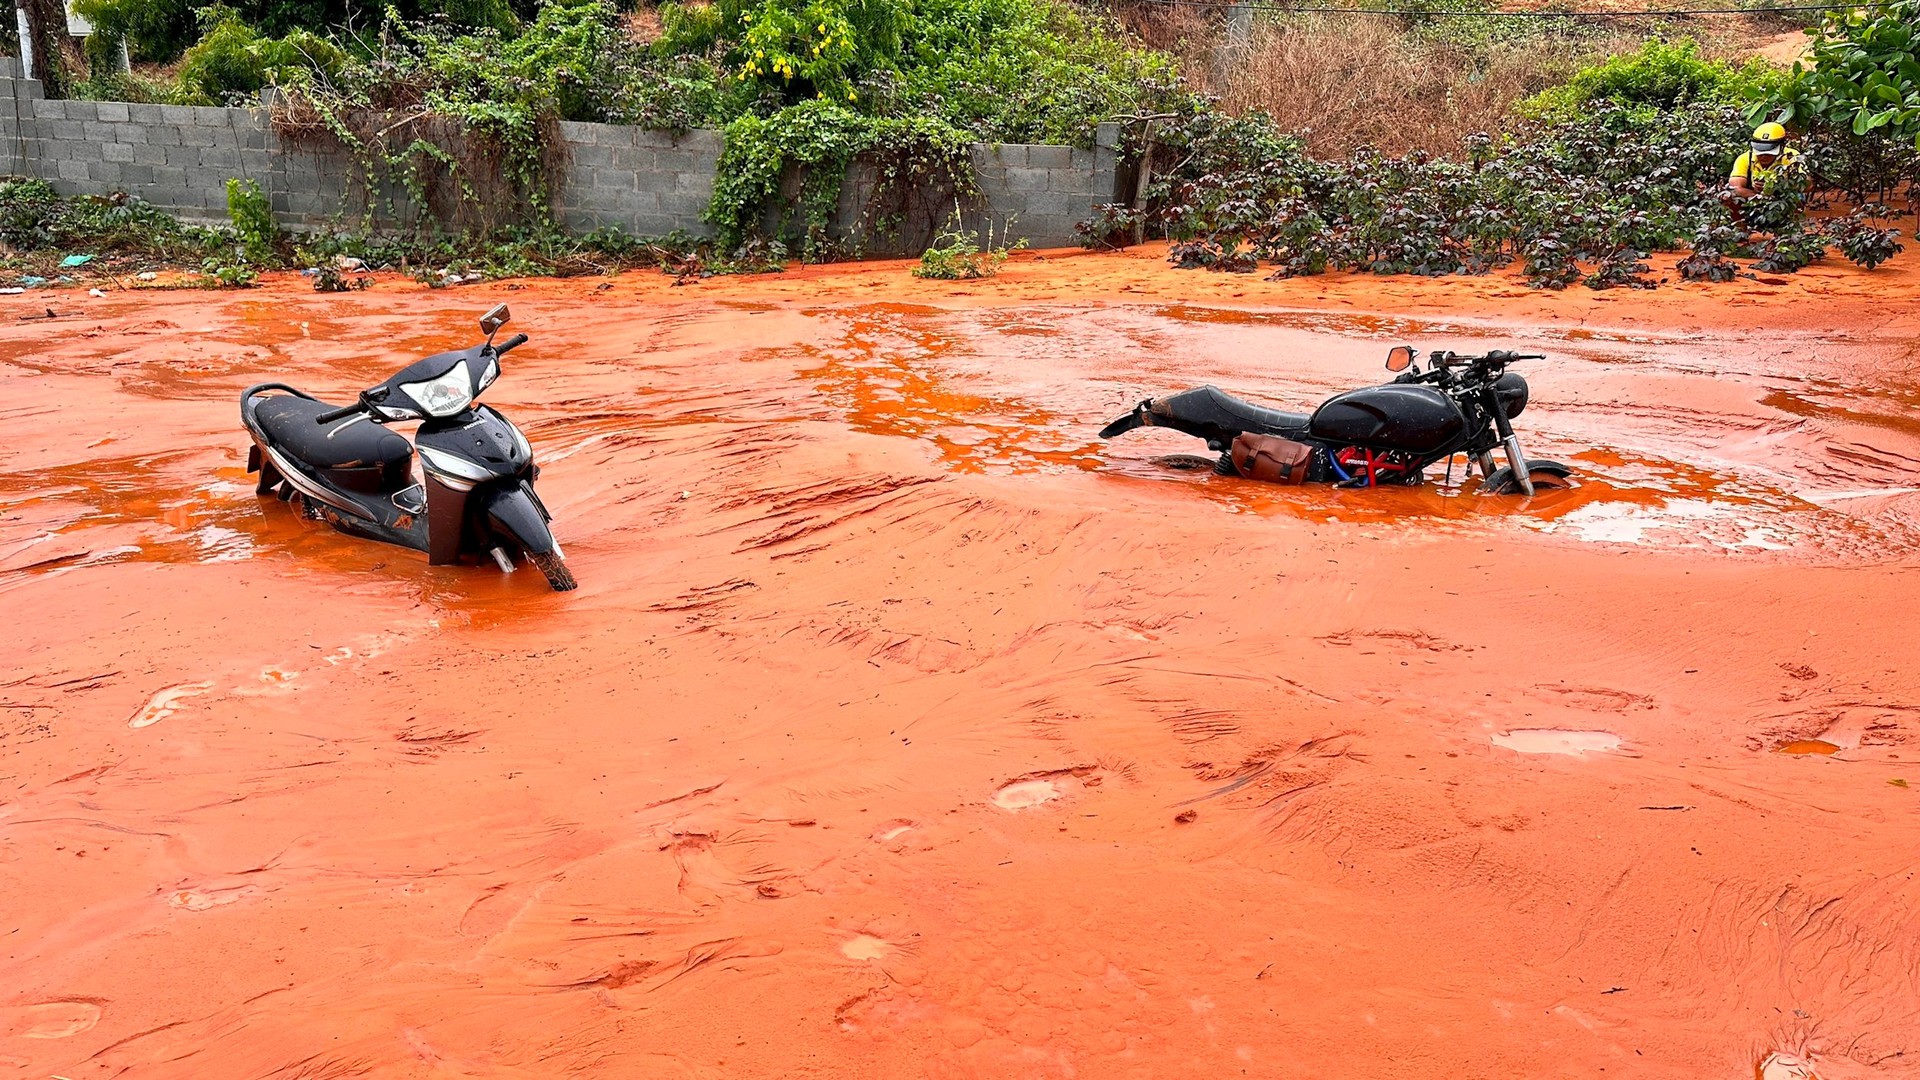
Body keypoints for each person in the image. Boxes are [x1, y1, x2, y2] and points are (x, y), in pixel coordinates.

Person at [1723, 122, 1802, 220]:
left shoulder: (1793, 157)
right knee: (1729, 197)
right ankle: (1741, 228)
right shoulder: (1745, 158)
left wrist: (1776, 187)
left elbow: (1808, 184)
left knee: (1798, 197)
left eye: (1769, 153)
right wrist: (1759, 195)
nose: (1763, 156)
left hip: (1783, 198)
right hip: (1753, 199)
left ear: (1782, 146)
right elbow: (1734, 187)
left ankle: (1790, 229)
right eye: (1760, 152)